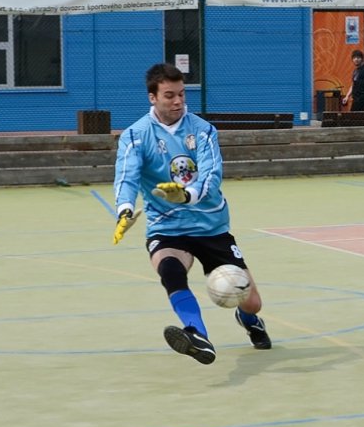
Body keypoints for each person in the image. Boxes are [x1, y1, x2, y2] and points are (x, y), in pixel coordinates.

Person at [112, 63, 271, 365]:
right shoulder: (135, 135)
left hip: (211, 226)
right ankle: (197, 334)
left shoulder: (202, 130)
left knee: (252, 302)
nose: (178, 102)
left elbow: (212, 175)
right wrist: (125, 209)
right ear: (152, 98)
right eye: (169, 95)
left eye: (181, 94)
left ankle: (249, 320)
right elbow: (127, 176)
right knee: (169, 270)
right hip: (168, 226)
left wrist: (188, 194)